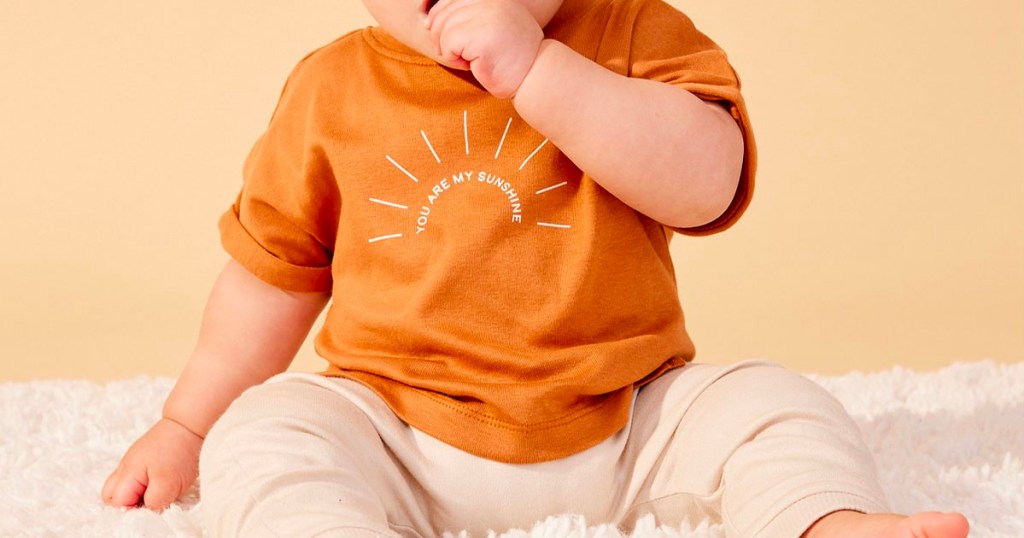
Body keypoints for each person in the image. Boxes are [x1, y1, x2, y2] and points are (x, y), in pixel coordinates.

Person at [102, 0, 970, 536]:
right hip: (398, 431)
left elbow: (709, 184)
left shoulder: (634, 30)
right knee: (269, 431)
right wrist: (187, 425)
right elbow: (273, 274)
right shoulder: (332, 86)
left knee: (770, 404)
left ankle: (827, 523)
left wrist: (539, 71)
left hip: (629, 421)